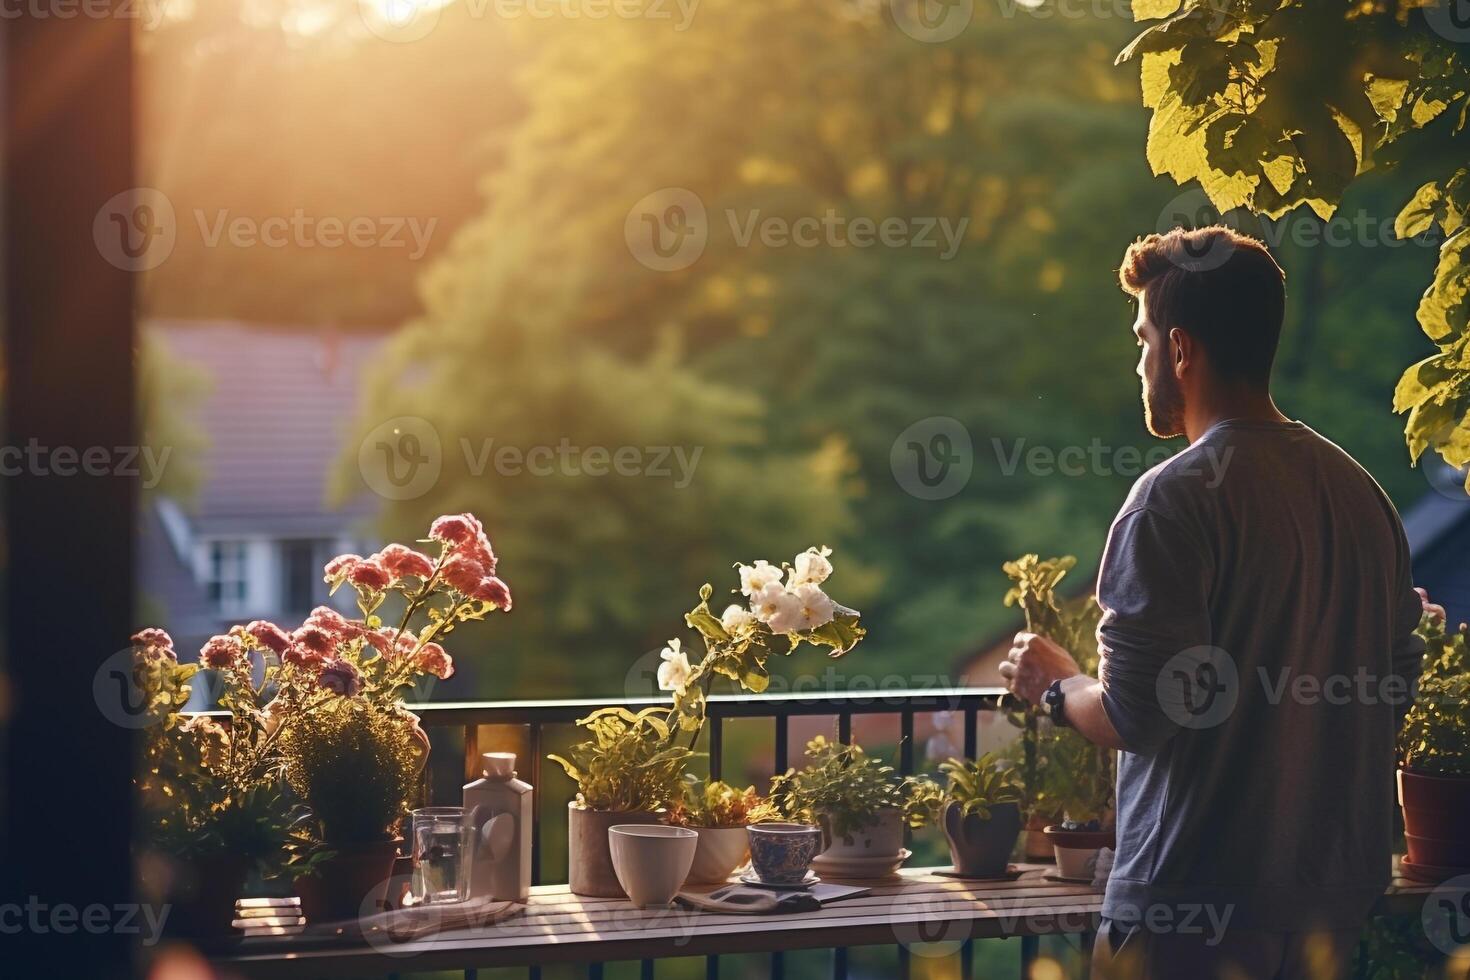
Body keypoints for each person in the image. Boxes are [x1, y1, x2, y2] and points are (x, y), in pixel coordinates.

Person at [999, 226, 1429, 979]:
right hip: (1331, 907)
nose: (1138, 363)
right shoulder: (1363, 495)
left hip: (1188, 909)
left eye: (1142, 341)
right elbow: (1395, 686)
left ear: (1181, 348)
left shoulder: (1171, 502)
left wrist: (1056, 688)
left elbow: (1139, 714)